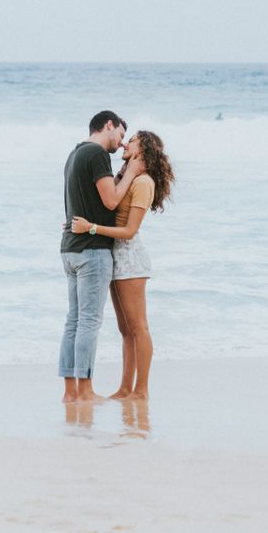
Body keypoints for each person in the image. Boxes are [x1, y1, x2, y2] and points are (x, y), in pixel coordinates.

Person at [70, 130, 174, 400]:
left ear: (143, 149)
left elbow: (129, 231)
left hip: (130, 258)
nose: (126, 143)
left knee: (139, 327)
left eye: (133, 141)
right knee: (125, 330)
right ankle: (125, 388)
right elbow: (109, 204)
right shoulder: (129, 178)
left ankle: (142, 390)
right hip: (116, 256)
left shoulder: (143, 183)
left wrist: (90, 228)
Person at [59, 111, 143, 404]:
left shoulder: (75, 154)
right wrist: (131, 173)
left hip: (69, 248)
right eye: (121, 134)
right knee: (89, 322)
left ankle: (70, 392)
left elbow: (87, 201)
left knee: (74, 320)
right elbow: (110, 200)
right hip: (92, 249)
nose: (121, 144)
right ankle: (85, 391)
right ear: (109, 125)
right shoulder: (97, 154)